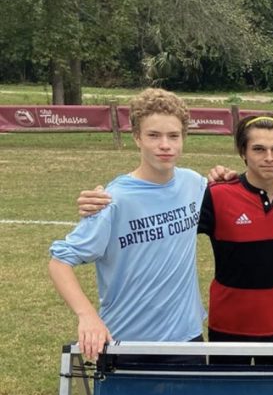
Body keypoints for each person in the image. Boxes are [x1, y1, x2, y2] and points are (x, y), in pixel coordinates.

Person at [49, 88, 206, 363]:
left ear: (184, 138)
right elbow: (59, 262)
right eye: (153, 135)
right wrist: (87, 316)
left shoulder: (194, 183)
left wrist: (224, 175)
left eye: (173, 136)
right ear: (136, 138)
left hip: (187, 339)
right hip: (126, 342)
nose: (165, 145)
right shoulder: (112, 200)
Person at [198, 114, 273, 365]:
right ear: (243, 152)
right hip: (229, 325)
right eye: (259, 149)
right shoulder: (216, 194)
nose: (269, 157)